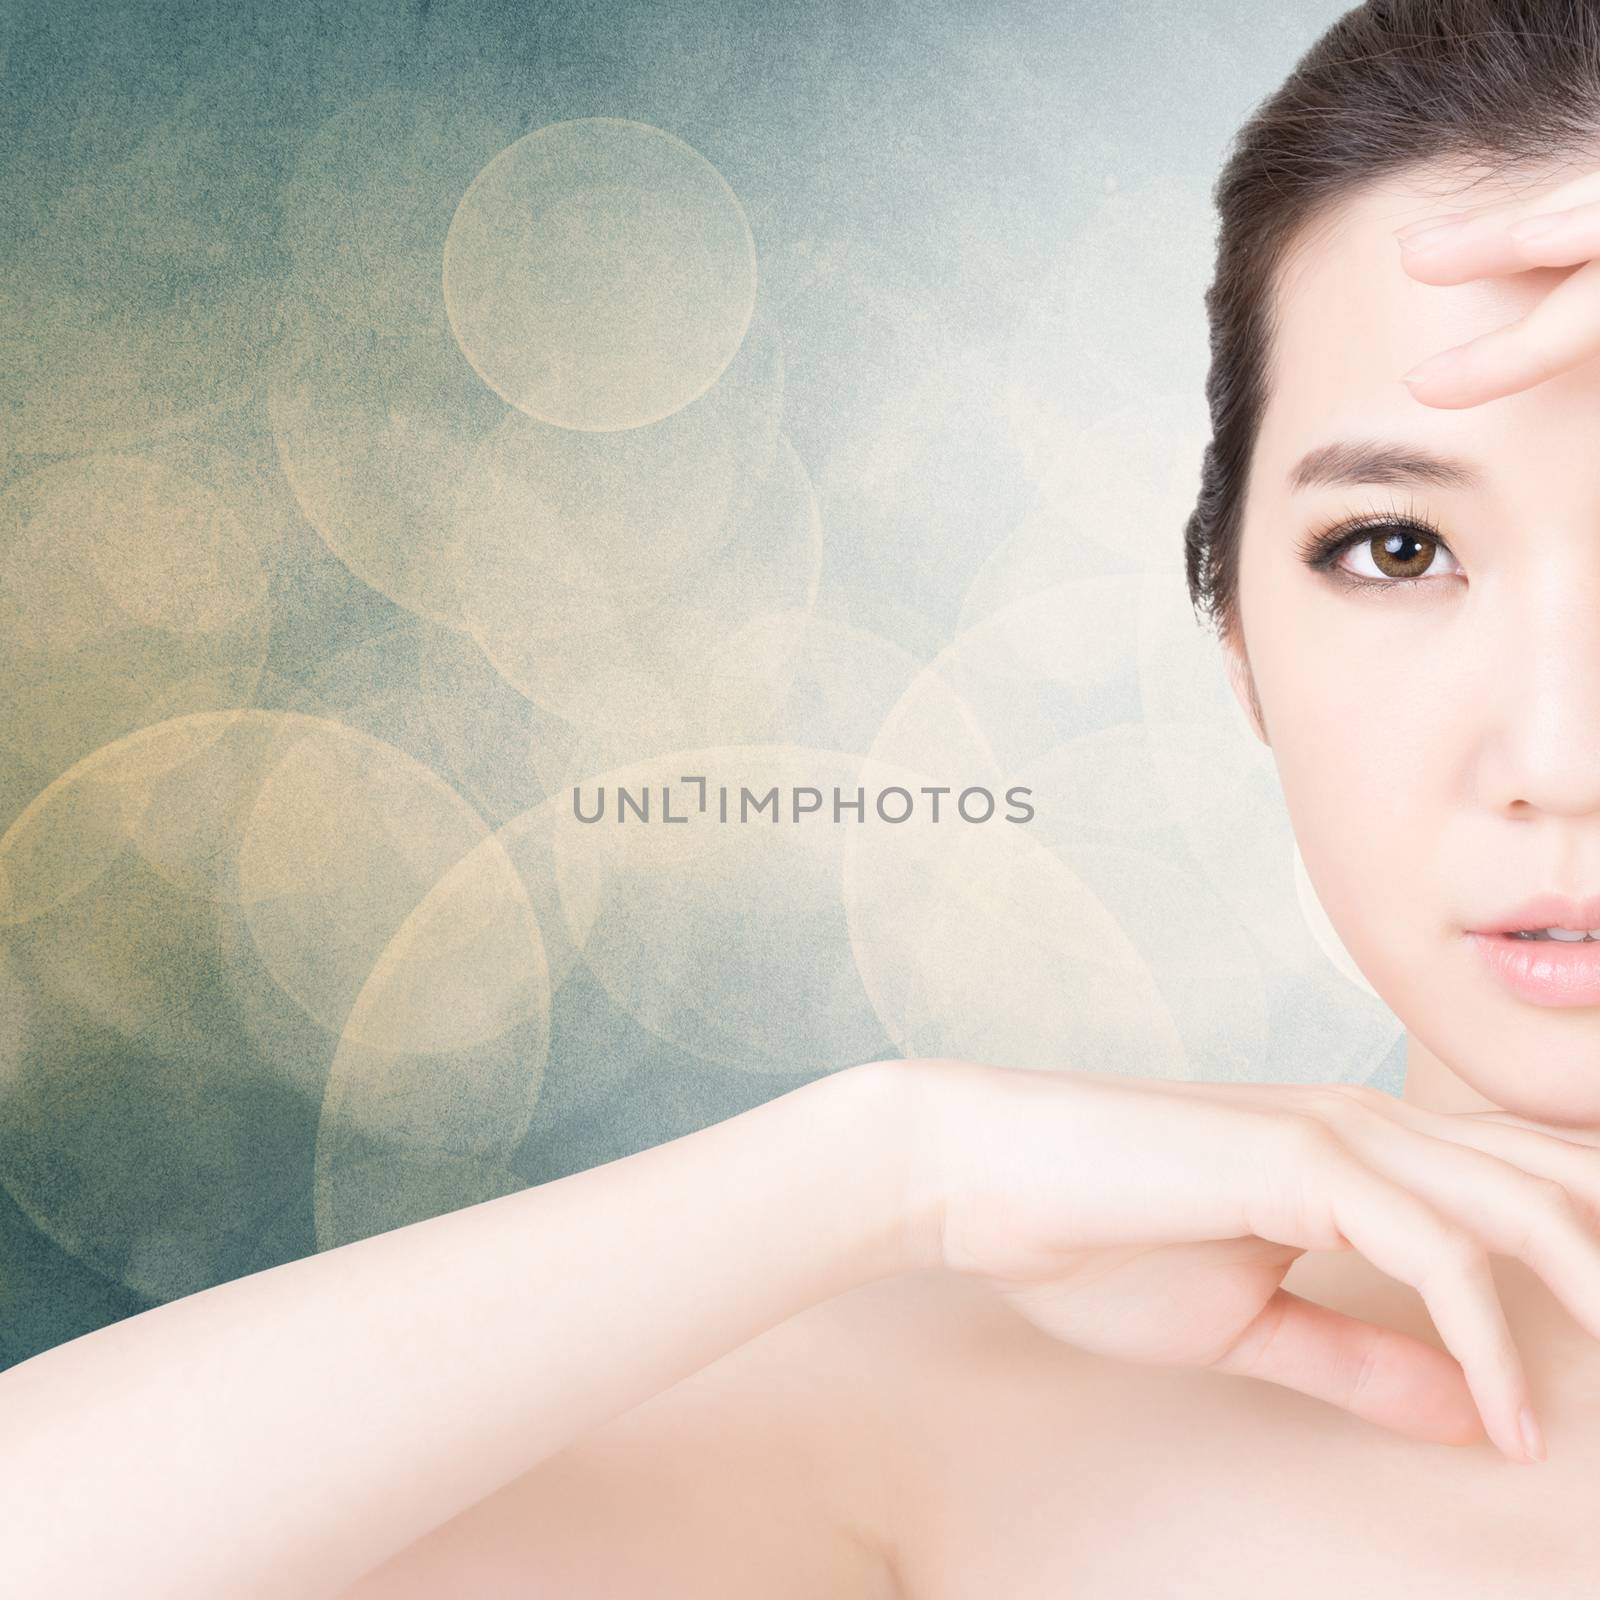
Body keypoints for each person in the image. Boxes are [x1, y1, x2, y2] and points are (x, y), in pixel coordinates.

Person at [10, 0, 1600, 1593]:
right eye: (1396, 547)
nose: (1557, 759)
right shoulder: (980, 1437)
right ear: (1238, 634)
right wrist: (886, 1166)